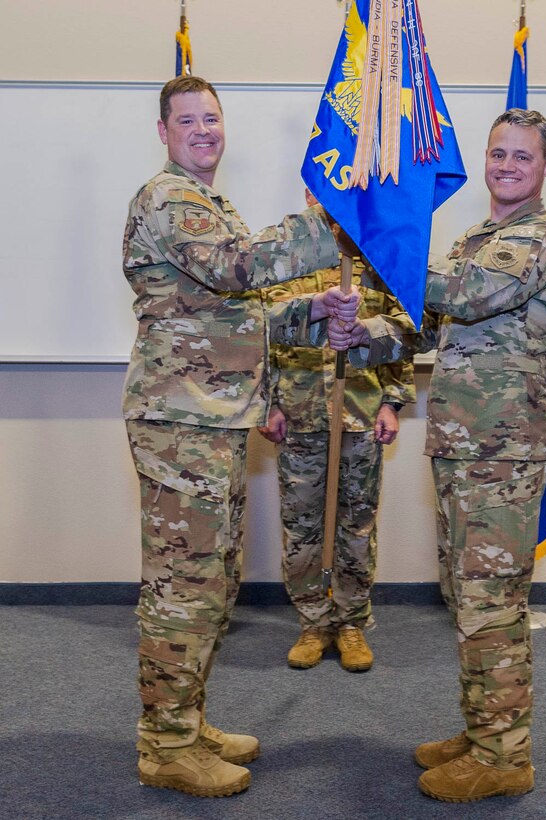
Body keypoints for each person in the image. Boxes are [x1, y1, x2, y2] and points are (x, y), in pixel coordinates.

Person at [330, 109, 546, 802]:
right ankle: (483, 730)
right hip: (461, 447)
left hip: (501, 452)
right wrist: (360, 334)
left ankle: (504, 756)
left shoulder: (542, 239)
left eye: (521, 157)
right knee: (466, 596)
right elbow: (427, 329)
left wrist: (384, 235)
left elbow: (469, 295)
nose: (505, 166)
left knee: (492, 602)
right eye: (497, 153)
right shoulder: (478, 235)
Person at [122, 75, 359, 798]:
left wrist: (312, 309)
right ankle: (165, 746)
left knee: (212, 583)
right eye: (187, 120)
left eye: (212, 118)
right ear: (163, 131)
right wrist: (331, 216)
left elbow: (232, 313)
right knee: (182, 588)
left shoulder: (211, 204)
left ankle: (187, 724)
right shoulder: (169, 200)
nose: (203, 130)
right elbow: (239, 269)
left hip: (211, 420)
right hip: (180, 424)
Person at [258, 190, 416, 672]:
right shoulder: (285, 251)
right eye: (321, 186)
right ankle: (312, 622)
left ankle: (350, 622)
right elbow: (259, 331)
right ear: (308, 188)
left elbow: (401, 331)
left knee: (356, 524)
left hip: (361, 410)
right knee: (302, 523)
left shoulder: (375, 248)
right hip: (301, 411)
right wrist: (270, 402)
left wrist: (391, 403)